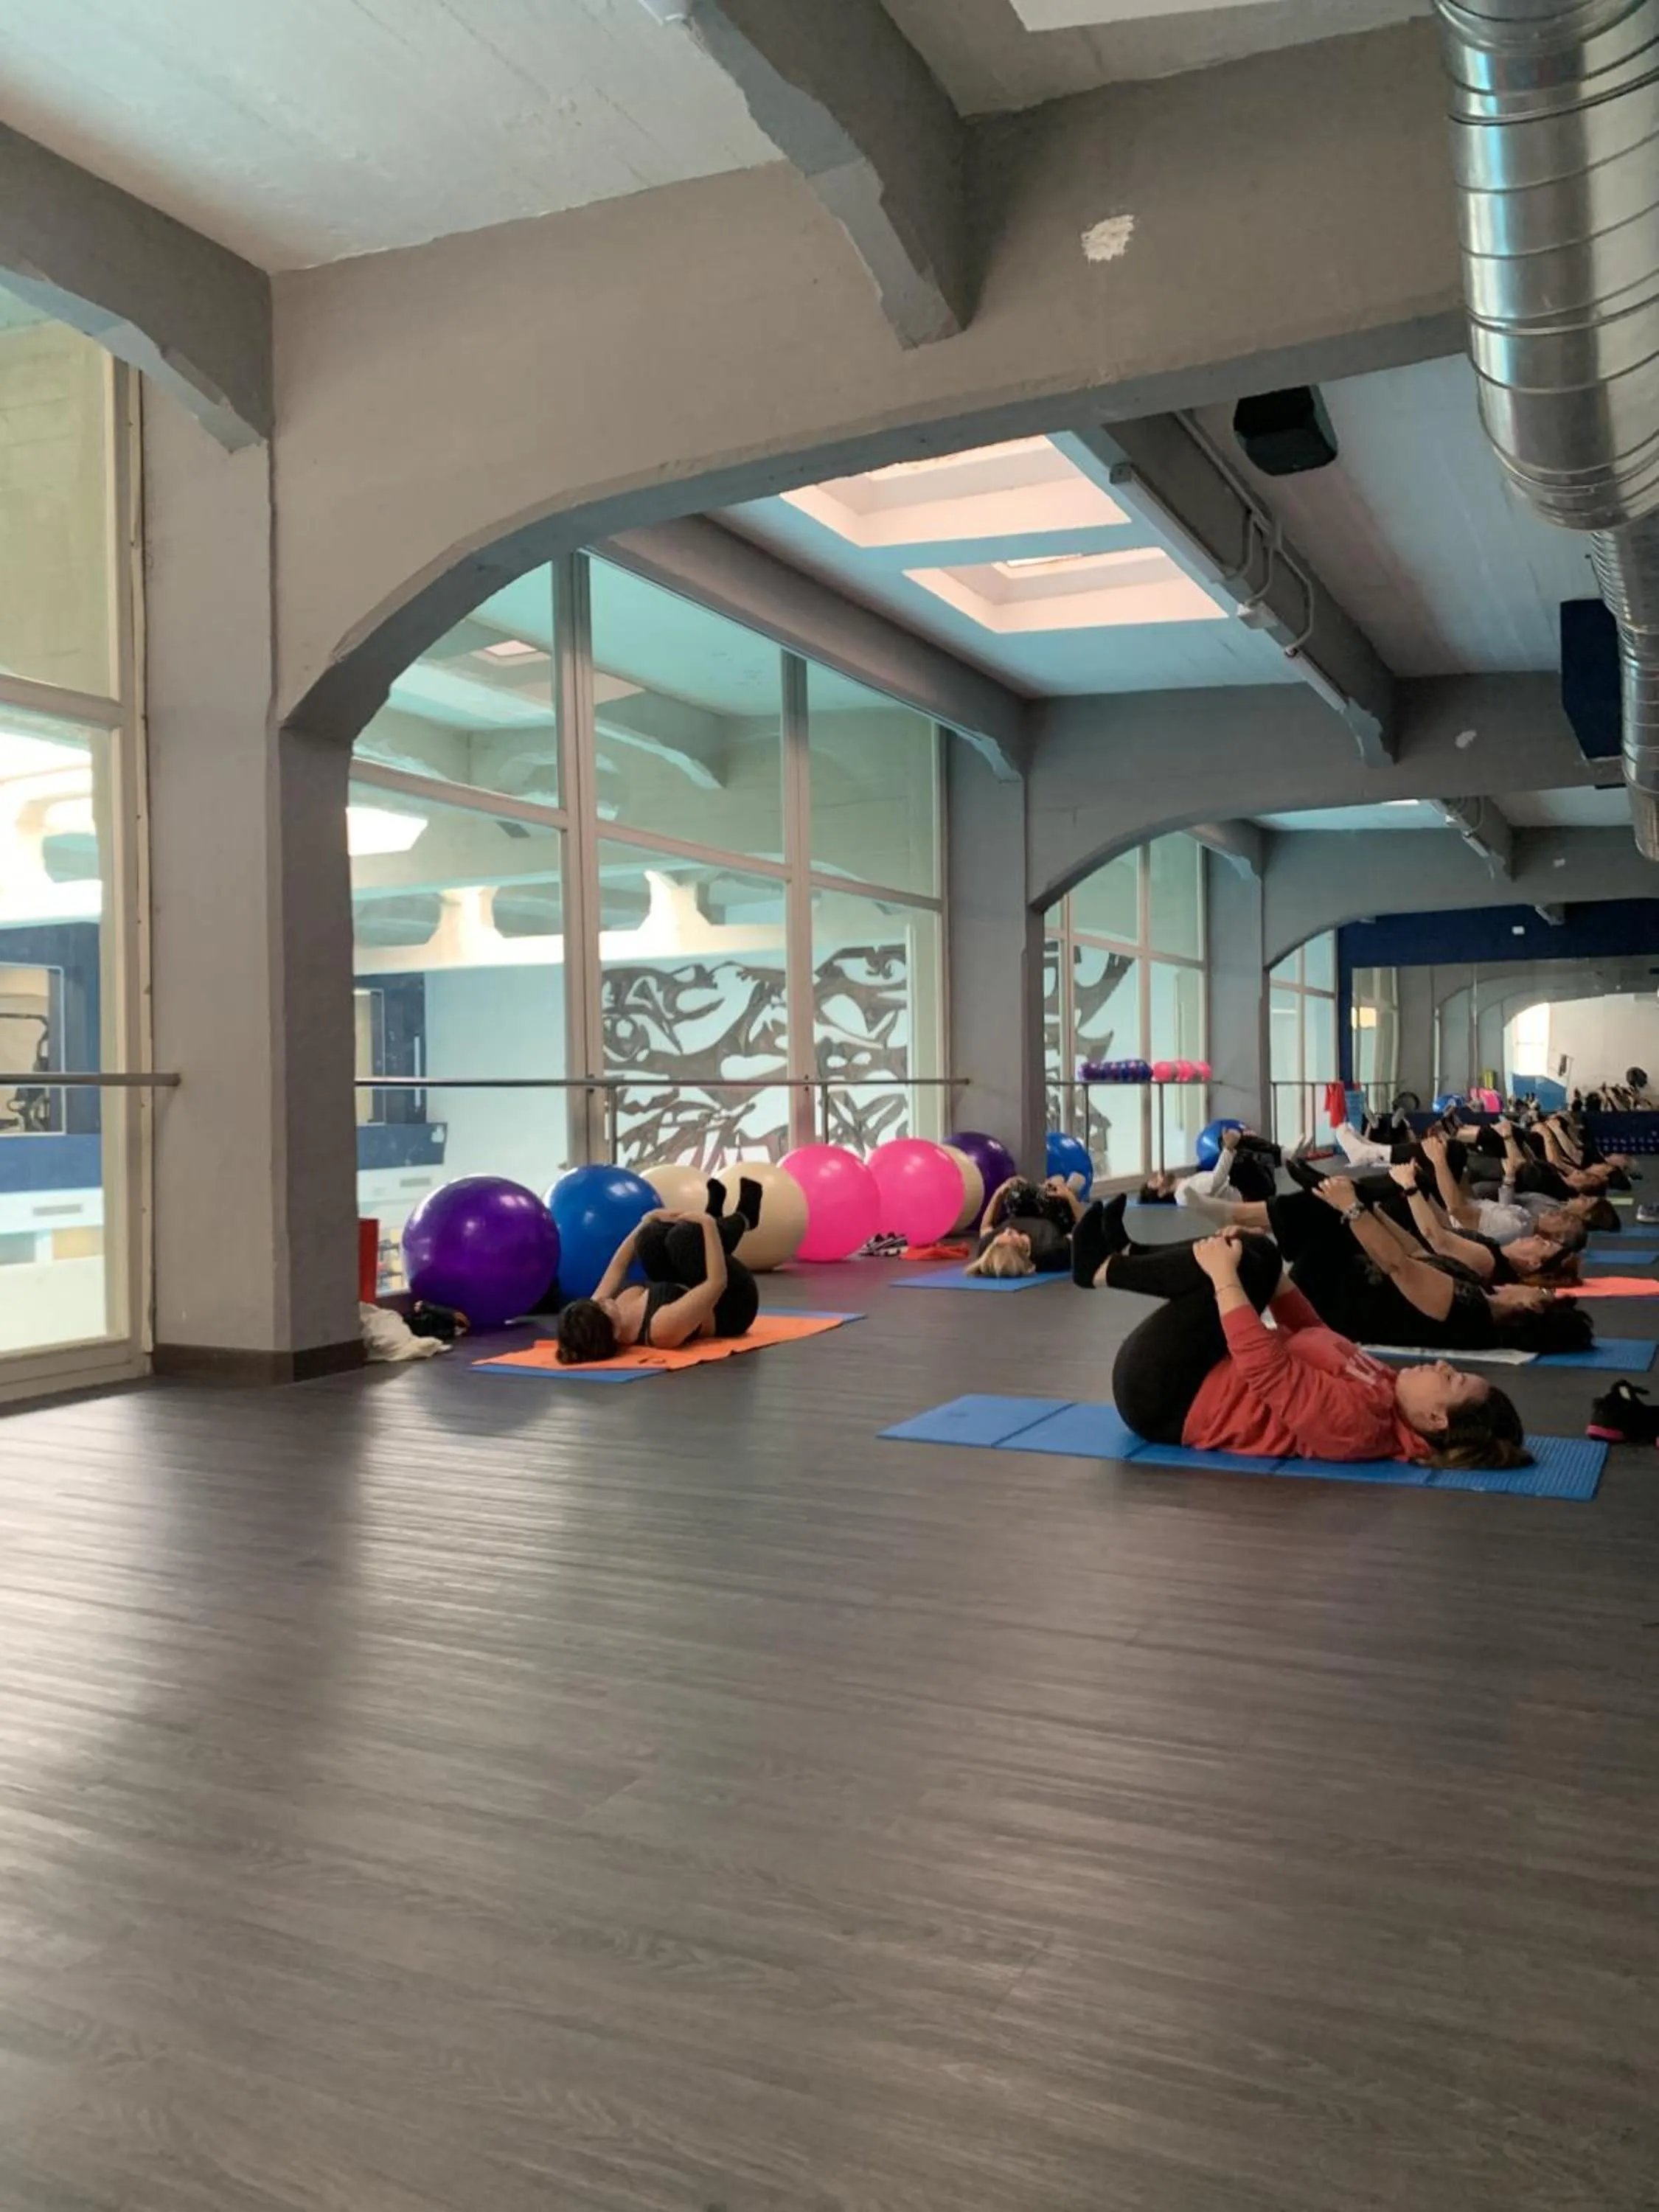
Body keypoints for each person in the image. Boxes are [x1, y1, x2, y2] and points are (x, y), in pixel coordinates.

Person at [1088, 1217, 1530, 1471]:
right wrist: (1274, 1278)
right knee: (1257, 1253)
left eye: (1452, 1380)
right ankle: (1124, 1256)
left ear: (1436, 1418)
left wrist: (1224, 1277)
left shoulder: (1360, 1425)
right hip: (1198, 1370)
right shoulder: (1385, 1386)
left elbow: (1267, 1370)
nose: (1443, 1366)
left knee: (1244, 1267)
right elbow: (1311, 1331)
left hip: (1165, 1397)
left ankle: (1101, 1268)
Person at [554, 1178, 762, 1363]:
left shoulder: (601, 1309)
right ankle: (743, 1218)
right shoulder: (661, 1329)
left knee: (649, 1235)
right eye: (601, 1307)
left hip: (690, 1284)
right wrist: (707, 1225)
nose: (601, 1299)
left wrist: (646, 1221)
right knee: (684, 1237)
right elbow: (717, 1283)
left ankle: (716, 1215)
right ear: (610, 1331)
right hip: (732, 1301)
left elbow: (618, 1264)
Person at [966, 1174, 1085, 1279]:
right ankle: (1067, 1186)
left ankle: (1047, 1186)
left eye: (1003, 1233)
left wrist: (999, 1193)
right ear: (1024, 1252)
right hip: (1055, 1215)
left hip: (1022, 1208)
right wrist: (1070, 1197)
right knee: (1063, 1182)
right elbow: (1084, 1232)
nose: (1008, 1230)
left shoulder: (990, 1248)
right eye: (1011, 1235)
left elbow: (985, 1227)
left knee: (1015, 1191)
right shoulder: (1050, 1250)